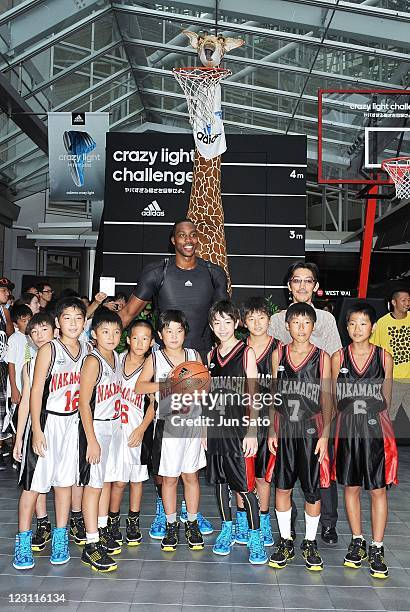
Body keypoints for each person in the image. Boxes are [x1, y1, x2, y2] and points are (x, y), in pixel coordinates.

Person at [268, 261, 341, 545]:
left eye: (307, 281)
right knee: (285, 477)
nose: (301, 286)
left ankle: (328, 524)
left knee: (322, 471)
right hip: (286, 411)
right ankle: (290, 527)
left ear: (315, 286)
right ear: (289, 286)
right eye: (296, 280)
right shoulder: (277, 322)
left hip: (316, 410)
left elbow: (334, 360)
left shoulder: (326, 320)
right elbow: (272, 360)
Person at [13, 297, 89, 569]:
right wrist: (35, 430)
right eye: (67, 318)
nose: (73, 323)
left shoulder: (87, 349)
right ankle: (22, 541)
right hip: (48, 423)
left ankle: (60, 537)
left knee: (65, 484)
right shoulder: (49, 350)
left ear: (84, 322)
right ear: (58, 323)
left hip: (72, 424)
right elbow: (34, 392)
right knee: (34, 485)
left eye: (78, 317)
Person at [332, 302, 398, 579]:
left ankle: (377, 546)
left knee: (378, 490)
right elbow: (333, 398)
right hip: (347, 430)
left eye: (362, 323)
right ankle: (357, 540)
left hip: (375, 432)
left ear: (372, 326)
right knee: (351, 488)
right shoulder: (338, 357)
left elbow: (387, 397)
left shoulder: (384, 357)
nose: (357, 328)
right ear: (346, 327)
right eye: (351, 323)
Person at [266, 303, 331, 572]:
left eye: (306, 323)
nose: (301, 328)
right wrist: (271, 428)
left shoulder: (322, 356)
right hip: (284, 428)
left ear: (313, 326)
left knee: (312, 489)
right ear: (287, 325)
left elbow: (328, 398)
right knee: (282, 487)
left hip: (311, 430)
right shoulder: (277, 354)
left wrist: (325, 434)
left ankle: (311, 542)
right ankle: (285, 540)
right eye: (296, 323)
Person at [136, 310, 206, 553]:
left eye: (179, 330)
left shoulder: (194, 355)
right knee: (169, 478)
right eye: (168, 330)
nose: (174, 335)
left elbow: (204, 388)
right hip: (168, 424)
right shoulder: (154, 358)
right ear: (160, 334)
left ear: (185, 333)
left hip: (193, 423)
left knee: (191, 476)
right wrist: (168, 384)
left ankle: (193, 522)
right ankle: (170, 523)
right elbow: (139, 386)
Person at [206, 300, 268, 565]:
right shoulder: (209, 356)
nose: (222, 327)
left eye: (227, 322)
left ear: (236, 324)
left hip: (240, 430)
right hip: (215, 429)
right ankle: (227, 529)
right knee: (221, 484)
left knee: (245, 487)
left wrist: (252, 431)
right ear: (211, 326)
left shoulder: (247, 353)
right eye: (217, 323)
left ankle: (255, 537)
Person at [120, 219, 228, 359]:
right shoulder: (157, 272)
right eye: (182, 235)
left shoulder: (214, 273)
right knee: (165, 382)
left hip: (201, 356)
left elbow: (226, 318)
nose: (188, 240)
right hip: (164, 356)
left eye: (193, 235)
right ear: (173, 240)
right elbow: (127, 313)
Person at [78, 309, 123, 573]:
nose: (112, 336)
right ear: (94, 334)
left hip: (114, 427)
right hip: (97, 429)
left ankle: (102, 530)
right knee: (93, 487)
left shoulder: (116, 357)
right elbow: (84, 403)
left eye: (116, 331)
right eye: (105, 331)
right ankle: (90, 544)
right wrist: (91, 440)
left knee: (105, 483)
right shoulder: (93, 361)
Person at [105, 319, 155, 547]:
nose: (140, 342)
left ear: (152, 342)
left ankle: (133, 521)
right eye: (135, 337)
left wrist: (142, 428)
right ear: (127, 339)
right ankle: (112, 520)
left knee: (137, 480)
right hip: (114, 431)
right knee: (118, 481)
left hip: (136, 431)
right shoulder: (115, 359)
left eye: (145, 338)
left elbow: (155, 404)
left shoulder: (151, 367)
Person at [233, 296, 277, 547]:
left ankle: (263, 522)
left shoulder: (278, 349)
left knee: (262, 476)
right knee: (242, 475)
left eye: (262, 317)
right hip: (243, 419)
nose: (257, 322)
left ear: (269, 320)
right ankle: (242, 522)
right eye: (252, 317)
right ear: (243, 322)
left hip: (268, 421)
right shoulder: (238, 348)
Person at [13, 314, 56, 562]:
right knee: (34, 481)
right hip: (38, 428)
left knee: (62, 482)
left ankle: (68, 525)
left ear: (55, 330)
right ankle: (33, 531)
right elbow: (26, 405)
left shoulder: (71, 359)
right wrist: (19, 438)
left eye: (44, 329)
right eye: (35, 332)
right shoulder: (28, 366)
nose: (39, 335)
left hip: (66, 427)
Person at [371, 288, 410, 423]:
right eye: (403, 300)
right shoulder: (382, 323)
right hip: (393, 380)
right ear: (394, 302)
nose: (407, 303)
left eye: (409, 300)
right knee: (387, 418)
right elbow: (374, 348)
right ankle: (385, 444)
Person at [0, 277, 15, 470]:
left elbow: (11, 336)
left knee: (2, 410)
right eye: (3, 290)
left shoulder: (4, 312)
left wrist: (7, 314)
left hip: (2, 365)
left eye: (7, 290)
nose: (7, 293)